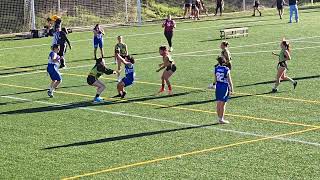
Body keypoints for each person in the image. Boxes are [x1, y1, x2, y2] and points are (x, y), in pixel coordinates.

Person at [214, 56, 233, 124]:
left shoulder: (216, 68)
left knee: (218, 103)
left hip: (218, 86)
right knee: (223, 104)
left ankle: (219, 118)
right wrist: (231, 88)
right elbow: (229, 80)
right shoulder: (226, 69)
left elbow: (215, 80)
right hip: (224, 86)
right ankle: (221, 119)